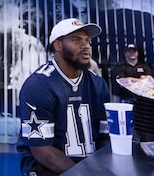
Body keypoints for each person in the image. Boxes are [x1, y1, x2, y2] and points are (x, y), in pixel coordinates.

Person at [17, 18, 110, 176]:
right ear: (58, 45)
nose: (86, 45)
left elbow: (104, 139)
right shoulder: (38, 85)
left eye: (87, 40)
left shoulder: (98, 84)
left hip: (89, 166)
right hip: (46, 168)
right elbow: (42, 151)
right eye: (76, 40)